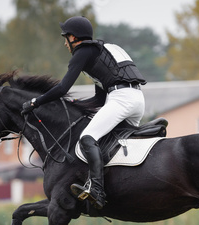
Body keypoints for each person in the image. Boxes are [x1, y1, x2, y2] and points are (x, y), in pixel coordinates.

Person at [22, 16, 147, 210]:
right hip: (137, 99)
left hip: (121, 98)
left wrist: (35, 101)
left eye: (66, 38)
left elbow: (63, 87)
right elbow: (99, 99)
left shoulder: (82, 52)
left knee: (87, 138)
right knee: (110, 141)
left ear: (74, 37)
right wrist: (76, 104)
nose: (65, 43)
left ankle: (97, 189)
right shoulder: (103, 51)